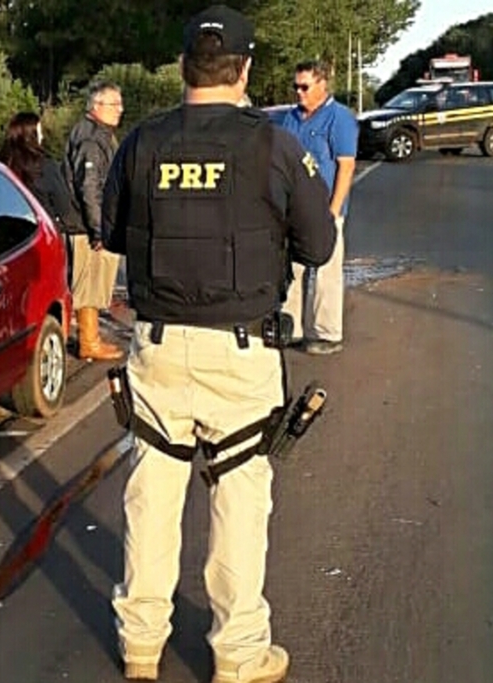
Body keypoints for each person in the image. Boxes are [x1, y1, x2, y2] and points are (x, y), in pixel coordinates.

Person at [101, 5, 336, 682]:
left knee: (152, 497)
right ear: (246, 70)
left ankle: (140, 645)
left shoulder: (142, 142)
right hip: (241, 352)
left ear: (183, 69)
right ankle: (238, 655)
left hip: (156, 346)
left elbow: (113, 232)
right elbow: (318, 243)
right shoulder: (273, 144)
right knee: (237, 504)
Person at [277, 60, 358, 355]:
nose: (299, 92)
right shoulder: (290, 119)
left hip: (324, 210)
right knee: (291, 271)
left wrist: (333, 211)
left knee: (325, 272)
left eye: (305, 86)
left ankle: (326, 332)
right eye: (295, 86)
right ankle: (292, 328)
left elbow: (346, 167)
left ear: (322, 85)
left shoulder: (340, 119)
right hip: (293, 211)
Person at [63, 80, 126, 361]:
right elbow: (89, 188)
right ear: (96, 106)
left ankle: (91, 338)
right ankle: (88, 341)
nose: (120, 109)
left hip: (90, 222)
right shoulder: (91, 139)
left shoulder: (97, 134)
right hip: (87, 226)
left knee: (92, 284)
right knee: (88, 285)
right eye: (114, 104)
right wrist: (100, 230)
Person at [0, 112, 82, 234]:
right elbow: (63, 207)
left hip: (3, 237)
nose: (42, 137)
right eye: (39, 133)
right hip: (41, 234)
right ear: (31, 136)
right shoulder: (46, 167)